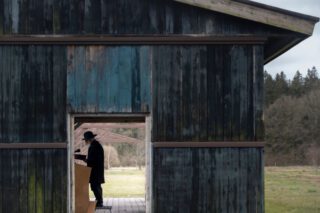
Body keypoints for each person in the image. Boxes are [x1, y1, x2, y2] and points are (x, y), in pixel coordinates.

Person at [82, 131, 105, 208]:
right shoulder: (95, 145)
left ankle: (99, 202)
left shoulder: (95, 146)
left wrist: (87, 160)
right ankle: (99, 200)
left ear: (89, 139)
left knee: (95, 186)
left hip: (95, 171)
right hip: (96, 170)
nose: (86, 141)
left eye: (86, 139)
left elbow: (95, 159)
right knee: (96, 186)